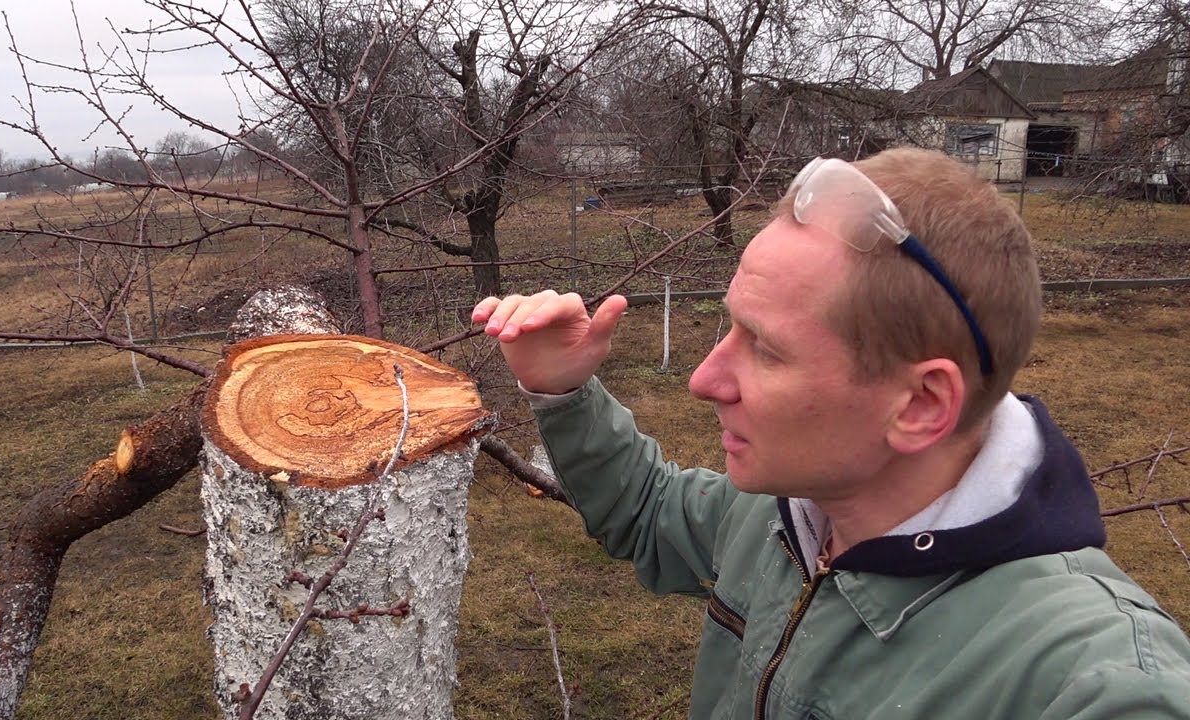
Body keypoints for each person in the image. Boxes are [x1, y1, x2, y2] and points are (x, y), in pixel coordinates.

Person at [471, 147, 1190, 719]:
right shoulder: (789, 514)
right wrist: (561, 388)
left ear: (918, 405)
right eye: (730, 326)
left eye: (766, 347)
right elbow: (651, 513)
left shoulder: (1088, 684)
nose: (703, 380)